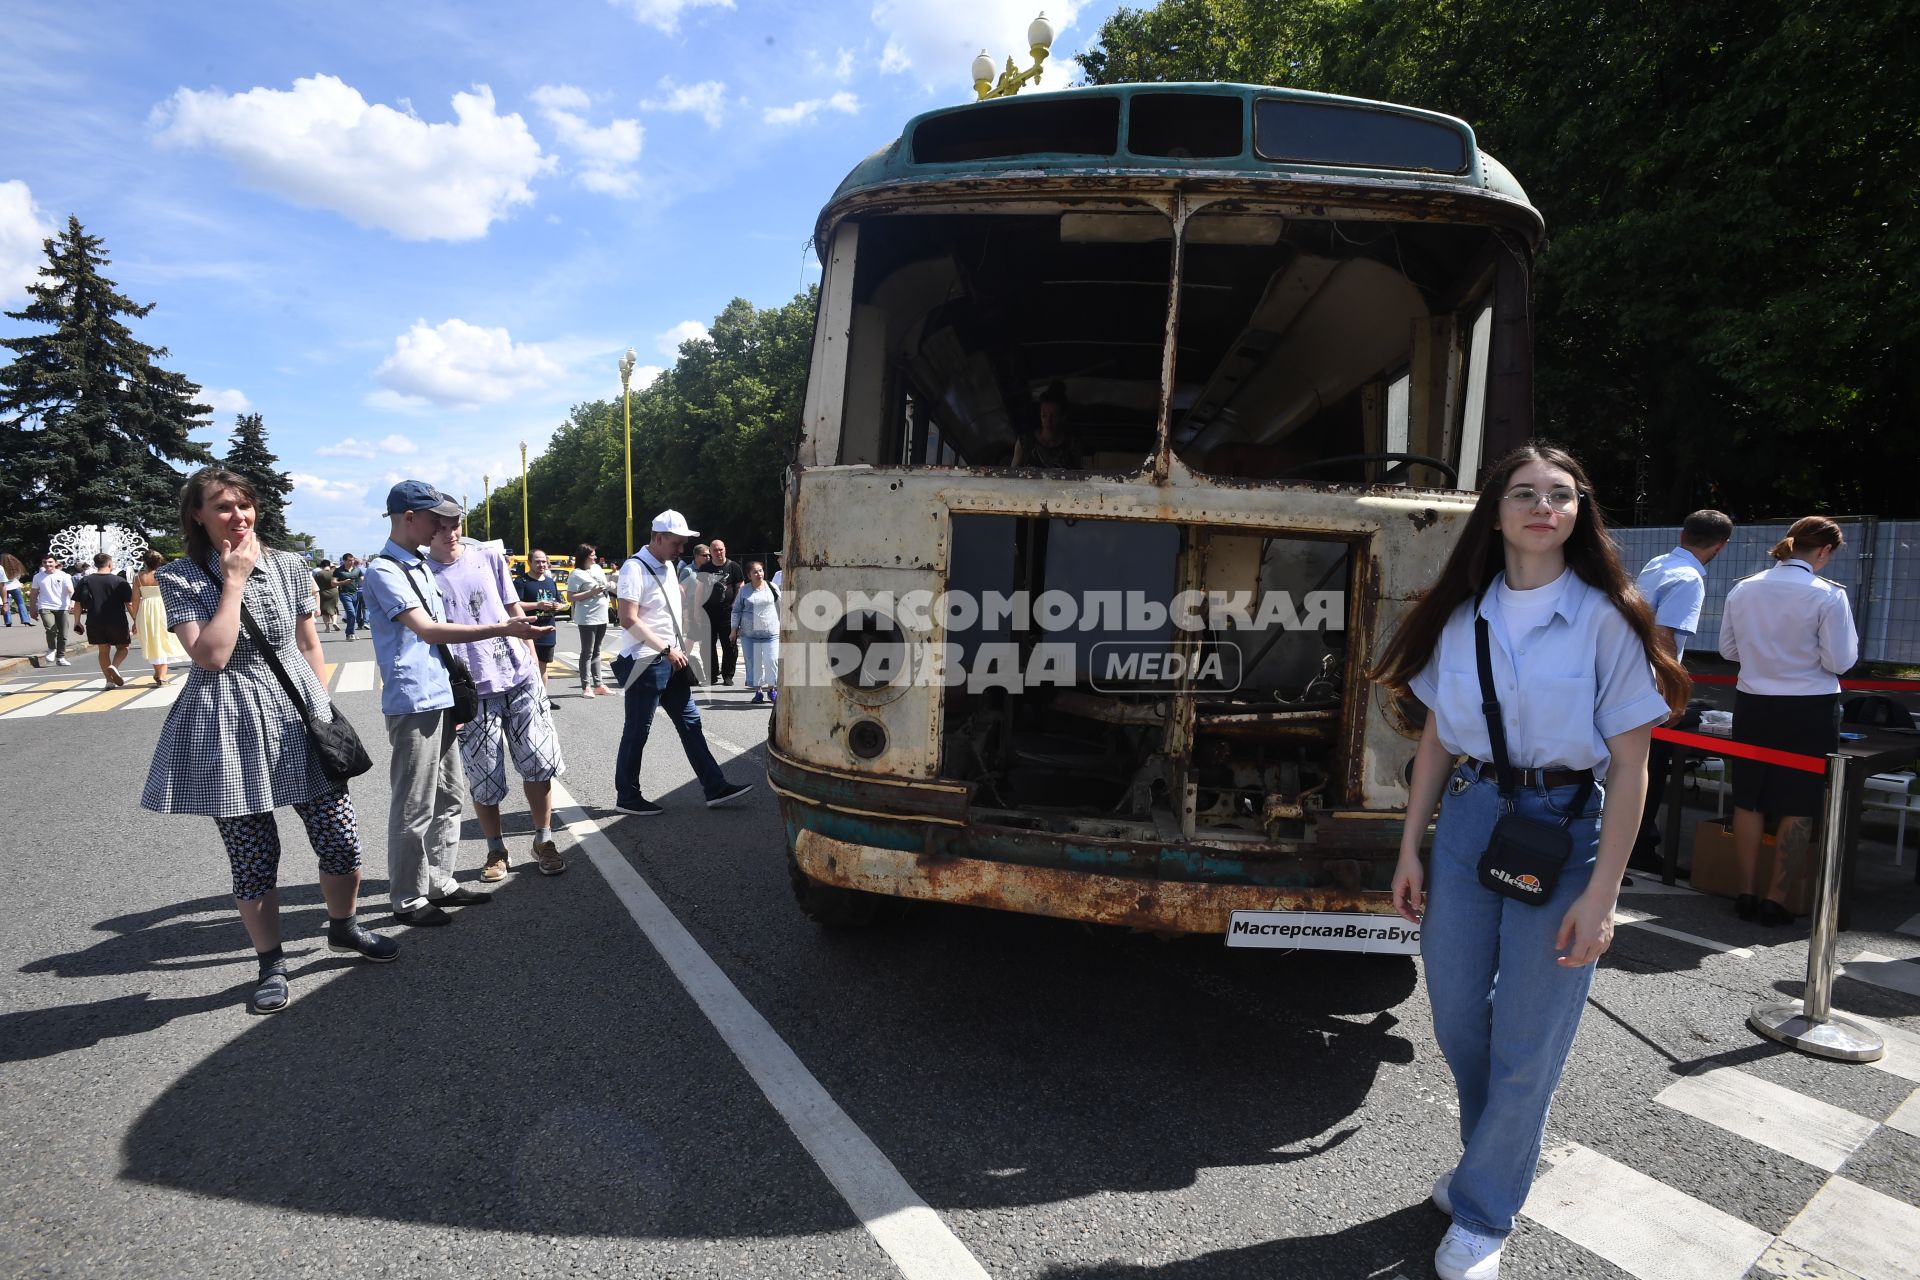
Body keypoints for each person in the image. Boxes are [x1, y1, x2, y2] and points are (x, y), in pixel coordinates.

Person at [1373, 443, 1685, 1280]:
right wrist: (1413, 844)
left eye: (1561, 494)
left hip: (1566, 826)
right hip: (1473, 817)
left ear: (1580, 512)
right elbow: (1437, 737)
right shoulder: (1463, 612)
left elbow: (1630, 763)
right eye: (1524, 493)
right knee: (1453, 1015)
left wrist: (1607, 893)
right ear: (1497, 510)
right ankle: (1492, 1163)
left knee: (1529, 1035)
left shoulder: (1606, 618)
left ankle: (1484, 1210)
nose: (1543, 507)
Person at [140, 467, 399, 1014]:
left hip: (297, 717)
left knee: (341, 839)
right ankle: (271, 962)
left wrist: (322, 708)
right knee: (254, 856)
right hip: (225, 726)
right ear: (198, 516)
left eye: (244, 506)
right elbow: (212, 655)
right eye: (223, 507)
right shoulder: (183, 576)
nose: (238, 517)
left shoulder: (287, 565)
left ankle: (344, 927)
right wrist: (232, 581)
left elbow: (308, 642)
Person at [364, 481, 553, 926]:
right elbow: (429, 630)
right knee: (414, 805)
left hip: (442, 695)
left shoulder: (417, 566)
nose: (443, 528)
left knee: (449, 795)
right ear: (409, 517)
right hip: (414, 699)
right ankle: (408, 898)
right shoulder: (386, 570)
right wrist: (503, 629)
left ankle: (440, 881)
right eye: (435, 518)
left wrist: (516, 621)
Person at [1718, 516, 1858, 926]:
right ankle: (1776, 899)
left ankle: (1745, 890)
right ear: (1825, 551)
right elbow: (1840, 661)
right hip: (1809, 705)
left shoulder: (1744, 587)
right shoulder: (1828, 596)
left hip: (1754, 700)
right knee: (1800, 798)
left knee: (1749, 795)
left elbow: (1728, 649)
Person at [426, 518, 569, 881]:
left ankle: (543, 839)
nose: (451, 532)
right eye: (440, 525)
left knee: (538, 762)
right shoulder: (423, 573)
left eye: (455, 523)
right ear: (426, 528)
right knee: (485, 775)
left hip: (518, 676)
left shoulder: (488, 556)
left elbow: (513, 611)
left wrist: (534, 664)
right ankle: (495, 848)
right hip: (471, 689)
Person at [611, 510, 753, 815]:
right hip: (646, 662)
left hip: (670, 658)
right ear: (658, 538)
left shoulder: (668, 565)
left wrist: (678, 645)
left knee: (691, 723)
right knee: (638, 730)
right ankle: (627, 795)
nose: (681, 550)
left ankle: (714, 787)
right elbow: (627, 618)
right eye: (676, 543)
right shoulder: (634, 569)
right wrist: (666, 649)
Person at [1627, 509, 1733, 875]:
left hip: (1627, 676)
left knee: (1629, 767)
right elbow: (1664, 634)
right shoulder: (1689, 578)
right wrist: (1674, 691)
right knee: (1647, 769)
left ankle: (1629, 846)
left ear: (1683, 534)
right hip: (1649, 683)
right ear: (1720, 547)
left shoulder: (1659, 563)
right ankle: (1637, 847)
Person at [74, 552, 134, 686]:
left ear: (95, 565)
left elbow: (77, 603)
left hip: (94, 620)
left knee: (103, 650)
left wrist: (77, 622)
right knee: (123, 647)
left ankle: (109, 681)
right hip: (116, 620)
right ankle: (115, 666)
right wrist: (136, 619)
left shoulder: (85, 580)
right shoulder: (119, 581)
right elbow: (128, 603)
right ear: (110, 564)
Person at [515, 549, 564, 706]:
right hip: (527, 632)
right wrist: (537, 605)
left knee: (543, 666)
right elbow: (515, 605)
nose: (541, 564)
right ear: (529, 563)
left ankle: (543, 699)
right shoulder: (521, 582)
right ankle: (526, 700)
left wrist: (558, 606)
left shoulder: (550, 581)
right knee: (527, 666)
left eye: (544, 561)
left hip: (548, 630)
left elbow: (561, 602)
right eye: (537, 561)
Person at [133, 549, 187, 685]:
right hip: (163, 607)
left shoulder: (138, 577)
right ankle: (162, 676)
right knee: (163, 639)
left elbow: (135, 600)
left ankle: (158, 673)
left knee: (151, 640)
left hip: (146, 608)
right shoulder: (164, 574)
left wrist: (135, 618)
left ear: (144, 561)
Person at [567, 543, 614, 698]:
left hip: (602, 614)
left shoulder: (597, 569)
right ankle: (586, 686)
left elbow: (602, 585)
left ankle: (599, 684)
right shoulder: (576, 574)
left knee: (597, 651)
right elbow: (571, 597)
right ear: (584, 556)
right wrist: (591, 592)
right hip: (587, 617)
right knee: (587, 651)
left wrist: (608, 586)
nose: (595, 557)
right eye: (592, 555)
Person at [731, 560, 780, 704]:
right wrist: (733, 630)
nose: (759, 574)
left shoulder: (772, 587)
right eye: (755, 572)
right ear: (749, 575)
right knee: (753, 664)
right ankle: (758, 691)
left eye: (761, 570)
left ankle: (772, 689)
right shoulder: (744, 590)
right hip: (749, 635)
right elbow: (736, 610)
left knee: (772, 661)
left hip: (771, 634)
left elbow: (782, 607)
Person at [699, 538, 744, 686]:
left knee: (729, 645)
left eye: (721, 549)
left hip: (728, 613)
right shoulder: (705, 568)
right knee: (707, 645)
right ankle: (711, 675)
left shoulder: (733, 567)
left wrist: (736, 606)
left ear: (725, 549)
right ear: (710, 552)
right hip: (708, 613)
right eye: (715, 550)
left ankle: (728, 675)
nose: (718, 552)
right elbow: (699, 590)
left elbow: (740, 586)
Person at [1011, 380, 1085, 468]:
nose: (1048, 421)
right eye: (1044, 415)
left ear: (1063, 416)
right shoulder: (1025, 442)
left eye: (1054, 416)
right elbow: (1012, 475)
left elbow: (1078, 475)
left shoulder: (1072, 445)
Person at [30, 553, 75, 665]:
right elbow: (34, 594)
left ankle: (60, 657)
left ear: (55, 563)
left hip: (62, 607)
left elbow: (71, 590)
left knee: (63, 634)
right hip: (45, 606)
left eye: (50, 562)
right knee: (51, 629)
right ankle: (51, 649)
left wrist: (72, 603)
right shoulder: (38, 577)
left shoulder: (64, 575)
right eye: (45, 562)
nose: (47, 564)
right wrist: (32, 609)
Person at [334, 552, 367, 640]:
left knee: (354, 614)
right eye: (349, 561)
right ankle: (350, 633)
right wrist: (343, 582)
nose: (351, 562)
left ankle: (350, 634)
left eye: (352, 560)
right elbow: (333, 583)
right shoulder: (338, 570)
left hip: (355, 594)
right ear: (344, 561)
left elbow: (363, 580)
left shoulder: (357, 570)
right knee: (351, 613)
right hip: (344, 594)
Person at [314, 559, 341, 632]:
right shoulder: (334, 573)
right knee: (334, 608)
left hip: (323, 593)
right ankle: (334, 622)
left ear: (321, 566)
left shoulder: (318, 574)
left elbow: (314, 584)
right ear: (329, 565)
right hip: (334, 592)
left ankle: (327, 628)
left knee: (325, 611)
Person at [1, 553, 28, 627]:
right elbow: (18, 577)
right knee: (20, 603)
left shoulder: (1, 568)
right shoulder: (16, 566)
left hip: (5, 588)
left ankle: (8, 621)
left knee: (6, 604)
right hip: (15, 586)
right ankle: (25, 620)